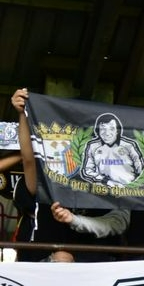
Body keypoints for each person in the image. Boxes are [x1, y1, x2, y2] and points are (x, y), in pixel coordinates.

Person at [11, 89, 128, 262]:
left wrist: (74, 219)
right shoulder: (49, 174)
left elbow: (118, 223)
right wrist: (23, 114)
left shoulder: (117, 175)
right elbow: (29, 160)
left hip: (95, 263)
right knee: (61, 258)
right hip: (42, 263)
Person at [80, 113, 144, 187]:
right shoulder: (92, 146)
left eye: (111, 129)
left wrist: (132, 185)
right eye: (103, 129)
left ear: (117, 130)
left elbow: (142, 168)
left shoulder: (129, 145)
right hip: (103, 190)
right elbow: (87, 171)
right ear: (97, 131)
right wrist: (106, 181)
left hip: (128, 190)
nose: (107, 133)